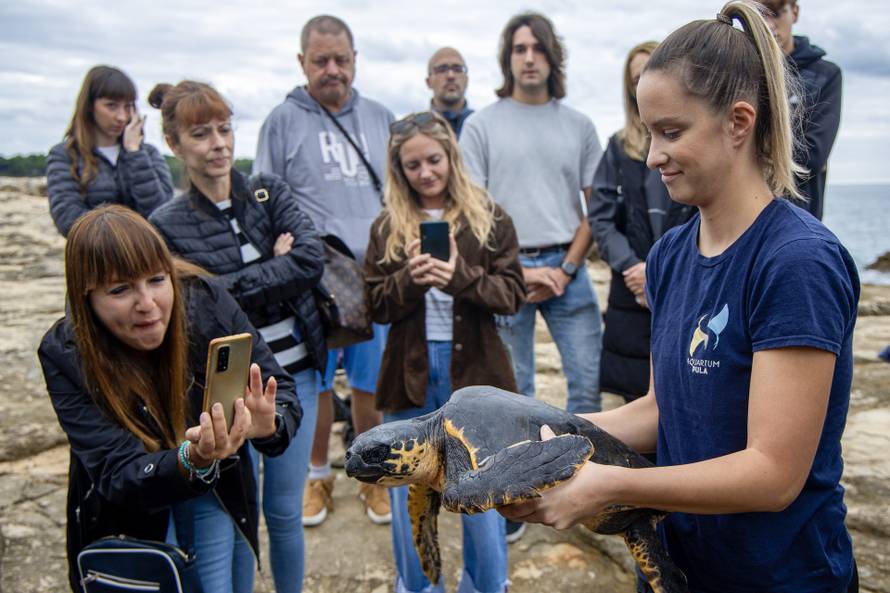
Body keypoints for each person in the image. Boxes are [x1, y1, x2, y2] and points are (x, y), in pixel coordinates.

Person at [501, 3, 859, 593]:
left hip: (779, 574)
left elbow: (773, 475)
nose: (652, 156)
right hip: (676, 567)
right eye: (648, 133)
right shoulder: (670, 254)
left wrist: (610, 485)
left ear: (739, 122)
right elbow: (660, 410)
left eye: (671, 132)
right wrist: (551, 435)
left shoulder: (797, 262)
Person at [38, 205, 301, 593]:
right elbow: (117, 472)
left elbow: (283, 391)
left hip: (220, 493)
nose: (147, 303)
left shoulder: (206, 300)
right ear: (85, 296)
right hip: (132, 520)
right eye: (119, 289)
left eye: (157, 279)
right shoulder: (64, 351)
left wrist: (271, 423)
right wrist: (190, 458)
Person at [147, 80, 325, 593]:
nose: (219, 143)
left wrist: (225, 286)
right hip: (220, 390)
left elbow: (309, 261)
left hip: (296, 373)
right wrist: (274, 265)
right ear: (176, 145)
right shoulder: (166, 223)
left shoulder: (268, 191)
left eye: (224, 129)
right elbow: (193, 306)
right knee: (238, 515)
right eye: (201, 134)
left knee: (285, 512)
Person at [364, 110, 524, 593]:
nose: (426, 173)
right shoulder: (386, 226)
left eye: (434, 160)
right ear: (399, 171)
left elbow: (512, 295)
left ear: (451, 157)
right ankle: (416, 586)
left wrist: (458, 278)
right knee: (409, 496)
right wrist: (408, 282)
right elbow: (374, 304)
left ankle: (487, 584)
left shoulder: (490, 217)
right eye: (413, 166)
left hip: (476, 374)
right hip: (408, 374)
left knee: (481, 490)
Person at [459, 14, 603, 542]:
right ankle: (518, 492)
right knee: (513, 393)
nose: (528, 57)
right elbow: (472, 212)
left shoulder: (579, 125)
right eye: (518, 48)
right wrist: (519, 272)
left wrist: (564, 269)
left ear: (552, 56)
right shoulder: (481, 125)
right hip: (508, 272)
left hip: (570, 269)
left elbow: (598, 208)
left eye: (537, 48)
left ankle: (591, 489)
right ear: (507, 58)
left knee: (586, 384)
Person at [254, 14, 394, 527]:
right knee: (311, 381)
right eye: (321, 61)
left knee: (369, 382)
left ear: (355, 60)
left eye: (341, 60)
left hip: (372, 278)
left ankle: (371, 474)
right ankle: (317, 476)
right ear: (302, 62)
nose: (332, 70)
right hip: (310, 285)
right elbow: (263, 203)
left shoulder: (381, 116)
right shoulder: (281, 120)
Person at [588, 41, 696, 401]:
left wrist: (661, 270)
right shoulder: (618, 148)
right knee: (631, 400)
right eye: (637, 79)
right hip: (629, 293)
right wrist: (633, 268)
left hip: (684, 283)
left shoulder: (694, 150)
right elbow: (601, 219)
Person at [46, 65, 173, 237]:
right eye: (111, 106)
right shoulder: (65, 155)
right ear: (90, 106)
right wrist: (124, 238)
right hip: (94, 258)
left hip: (146, 257)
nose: (121, 117)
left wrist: (135, 155)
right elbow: (67, 219)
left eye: (128, 107)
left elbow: (162, 214)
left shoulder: (148, 154)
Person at [764, 0, 842, 220]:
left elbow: (812, 156)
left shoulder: (825, 74)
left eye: (777, 13)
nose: (769, 25)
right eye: (760, 15)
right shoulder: (739, 70)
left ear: (794, 12)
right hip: (738, 219)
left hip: (799, 217)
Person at [426, 47, 473, 137]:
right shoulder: (416, 131)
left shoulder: (483, 127)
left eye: (457, 69)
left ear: (467, 80)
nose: (451, 76)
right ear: (428, 82)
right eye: (442, 70)